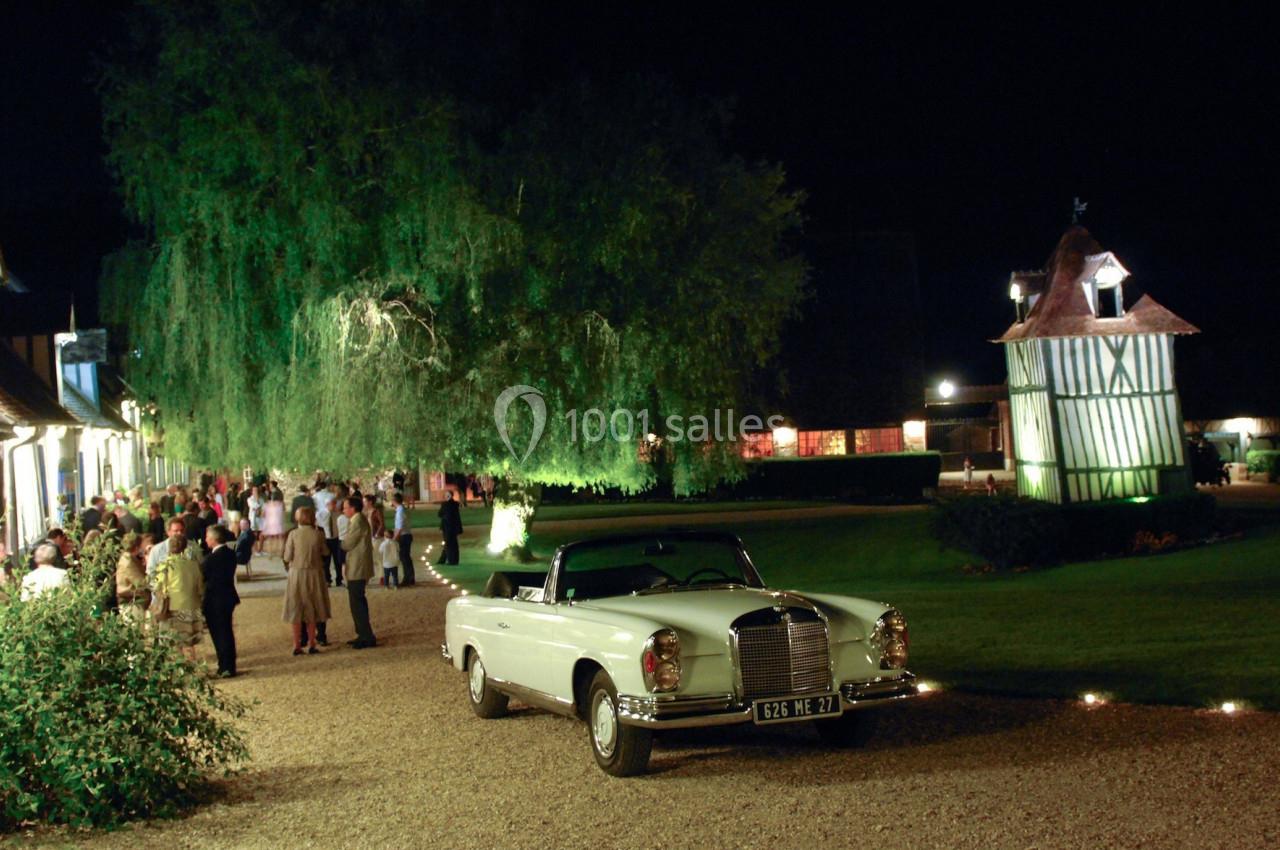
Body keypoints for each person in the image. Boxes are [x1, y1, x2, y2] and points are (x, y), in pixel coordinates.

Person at [282, 506, 332, 655]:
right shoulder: (318, 534)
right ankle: (312, 643)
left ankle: (297, 644)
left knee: (296, 608)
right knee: (313, 608)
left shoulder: (293, 534)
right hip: (315, 573)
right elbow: (325, 552)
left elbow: (287, 556)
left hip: (297, 573)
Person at [153, 533, 205, 661]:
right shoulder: (193, 565)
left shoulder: (165, 565)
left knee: (174, 642)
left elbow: (157, 587)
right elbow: (200, 588)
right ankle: (192, 665)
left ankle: (179, 668)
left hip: (172, 607)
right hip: (192, 606)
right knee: (189, 641)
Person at [202, 525, 240, 678]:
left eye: (207, 537)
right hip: (228, 596)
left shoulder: (210, 559)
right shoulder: (230, 554)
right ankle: (229, 665)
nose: (205, 540)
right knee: (227, 631)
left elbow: (203, 578)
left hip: (214, 600)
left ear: (214, 539)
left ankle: (224, 667)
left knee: (219, 634)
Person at [340, 495, 377, 648]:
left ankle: (366, 636)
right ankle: (362, 633)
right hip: (357, 565)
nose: (343, 510)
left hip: (358, 566)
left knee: (357, 602)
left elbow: (348, 543)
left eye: (345, 508)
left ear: (353, 508)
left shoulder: (357, 522)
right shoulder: (357, 520)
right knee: (356, 601)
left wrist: (340, 544)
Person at [115, 532, 150, 623]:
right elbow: (141, 582)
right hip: (131, 603)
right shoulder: (128, 561)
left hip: (132, 601)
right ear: (137, 546)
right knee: (136, 628)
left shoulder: (129, 558)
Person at [391, 491, 415, 586]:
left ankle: (408, 578)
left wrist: (394, 538)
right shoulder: (402, 509)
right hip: (407, 534)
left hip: (404, 536)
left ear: (394, 501)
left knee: (404, 558)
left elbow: (399, 527)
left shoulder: (400, 511)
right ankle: (410, 577)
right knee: (406, 557)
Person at [438, 490, 463, 565]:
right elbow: (440, 514)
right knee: (450, 543)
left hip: (449, 526)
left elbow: (441, 514)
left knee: (449, 543)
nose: (446, 496)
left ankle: (452, 560)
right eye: (446, 495)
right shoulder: (451, 504)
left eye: (448, 495)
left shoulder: (449, 504)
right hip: (450, 526)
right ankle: (445, 559)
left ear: (451, 496)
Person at [246, 485, 265, 554]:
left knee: (262, 534)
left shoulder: (261, 499)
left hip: (261, 519)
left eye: (257, 490)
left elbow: (263, 507)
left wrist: (262, 511)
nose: (256, 491)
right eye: (254, 490)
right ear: (252, 491)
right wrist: (257, 499)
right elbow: (255, 506)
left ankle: (261, 549)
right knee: (254, 534)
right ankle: (256, 550)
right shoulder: (249, 499)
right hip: (253, 519)